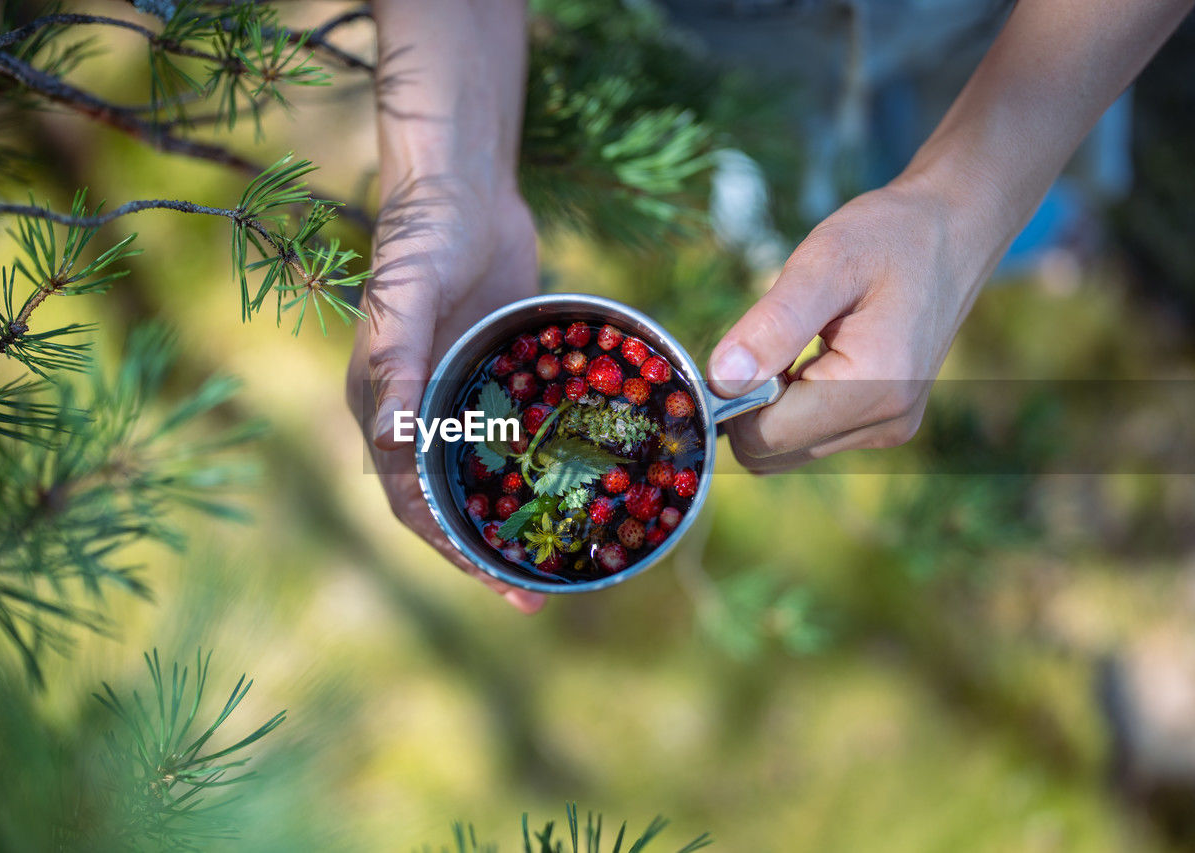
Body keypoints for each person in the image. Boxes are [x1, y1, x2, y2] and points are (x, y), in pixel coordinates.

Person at [346, 0, 1195, 614]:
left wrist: (973, 205)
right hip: (743, 68)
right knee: (782, 207)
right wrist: (447, 170)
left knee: (1032, 207)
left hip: (1015, 35)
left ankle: (1047, 236)